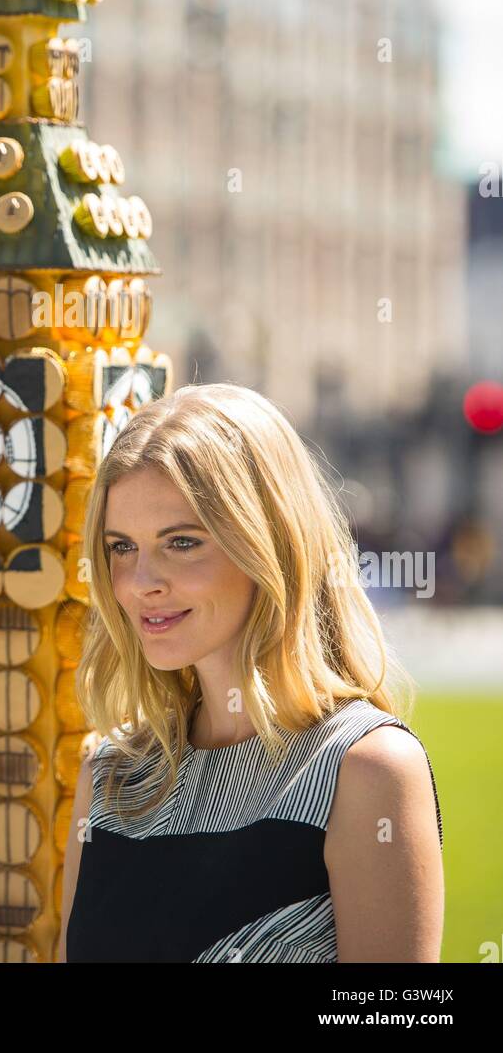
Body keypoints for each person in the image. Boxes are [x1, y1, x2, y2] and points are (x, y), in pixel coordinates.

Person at [59, 383, 444, 963]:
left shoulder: (364, 771)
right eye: (121, 547)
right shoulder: (111, 775)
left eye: (181, 542)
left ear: (269, 543)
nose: (141, 583)